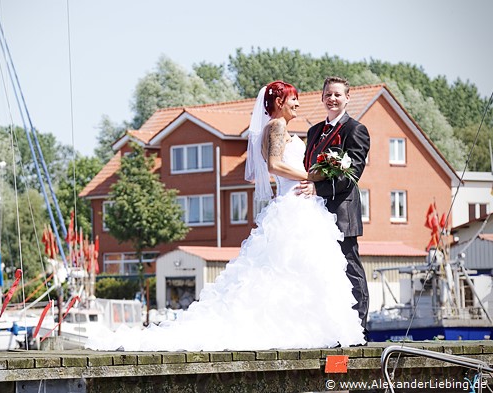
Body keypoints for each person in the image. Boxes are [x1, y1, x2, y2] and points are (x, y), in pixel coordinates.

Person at [85, 81, 365, 352]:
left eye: (335, 94)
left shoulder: (309, 128)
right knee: (296, 267)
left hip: (305, 203)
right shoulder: (279, 126)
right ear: (279, 102)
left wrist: (319, 178)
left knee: (298, 268)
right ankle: (313, 328)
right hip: (297, 202)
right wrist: (309, 176)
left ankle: (309, 326)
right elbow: (275, 164)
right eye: (293, 99)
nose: (297, 104)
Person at [296, 76, 371, 338]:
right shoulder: (314, 131)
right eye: (328, 94)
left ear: (347, 98)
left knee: (350, 268)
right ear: (322, 97)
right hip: (315, 213)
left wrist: (318, 188)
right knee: (322, 270)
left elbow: (352, 175)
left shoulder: (356, 129)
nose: (332, 99)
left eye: (338, 94)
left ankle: (359, 329)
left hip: (342, 212)